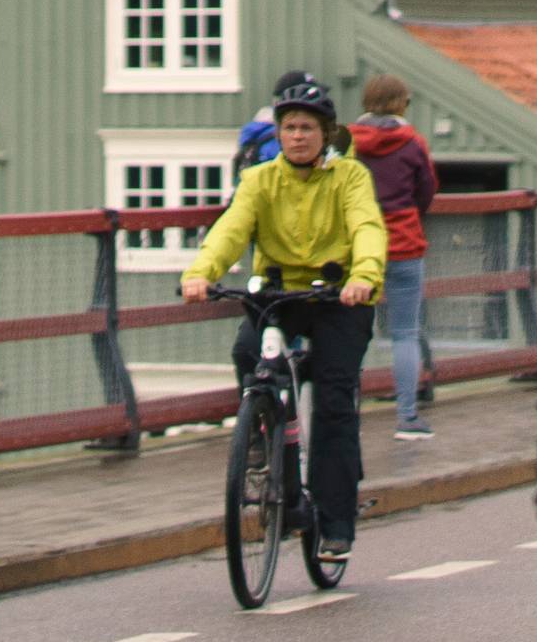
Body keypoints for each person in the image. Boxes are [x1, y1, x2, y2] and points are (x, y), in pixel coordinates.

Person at [180, 71, 387, 559]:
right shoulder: (259, 180)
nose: (297, 136)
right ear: (278, 133)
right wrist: (200, 273)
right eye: (289, 127)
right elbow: (230, 230)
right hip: (279, 296)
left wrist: (365, 276)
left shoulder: (349, 177)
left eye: (307, 129)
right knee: (247, 350)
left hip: (340, 298)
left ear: (326, 135)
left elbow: (367, 227)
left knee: (336, 402)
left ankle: (336, 525)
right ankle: (263, 430)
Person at [347, 72, 441, 442]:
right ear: (401, 103)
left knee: (350, 334)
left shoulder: (347, 143)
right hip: (403, 244)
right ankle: (407, 417)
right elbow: (426, 192)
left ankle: (344, 412)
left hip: (357, 248)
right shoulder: (413, 142)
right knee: (404, 333)